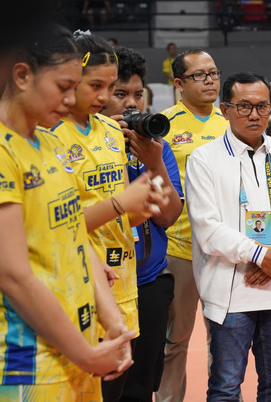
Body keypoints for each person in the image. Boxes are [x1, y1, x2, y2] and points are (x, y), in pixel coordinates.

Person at [0, 22, 135, 402]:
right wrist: (87, 354)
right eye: (63, 87)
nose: (70, 98)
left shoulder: (48, 141)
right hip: (26, 360)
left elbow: (76, 235)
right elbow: (13, 275)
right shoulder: (3, 150)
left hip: (80, 348)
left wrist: (113, 327)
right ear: (23, 75)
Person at [50, 30, 169, 402]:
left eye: (110, 86)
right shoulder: (49, 135)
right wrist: (120, 206)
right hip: (77, 286)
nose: (104, 96)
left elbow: (117, 215)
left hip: (124, 284)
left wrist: (138, 211)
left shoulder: (110, 132)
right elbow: (54, 227)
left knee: (118, 389)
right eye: (95, 85)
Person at [185, 71, 271, 400]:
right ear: (225, 109)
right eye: (244, 107)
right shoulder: (204, 158)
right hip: (231, 292)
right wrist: (260, 255)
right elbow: (207, 227)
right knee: (226, 388)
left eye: (262, 106)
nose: (255, 115)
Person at [101, 46, 184, 402]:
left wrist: (153, 163)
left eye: (138, 94)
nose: (131, 104)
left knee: (139, 388)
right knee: (103, 386)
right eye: (121, 94)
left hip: (149, 282)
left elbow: (169, 215)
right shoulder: (91, 144)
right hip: (102, 283)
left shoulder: (156, 147)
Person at [156, 49, 229, 402]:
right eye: (200, 75)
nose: (210, 81)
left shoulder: (231, 122)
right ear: (179, 84)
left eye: (213, 73)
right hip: (179, 248)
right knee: (176, 339)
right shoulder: (163, 125)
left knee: (227, 339)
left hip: (224, 250)